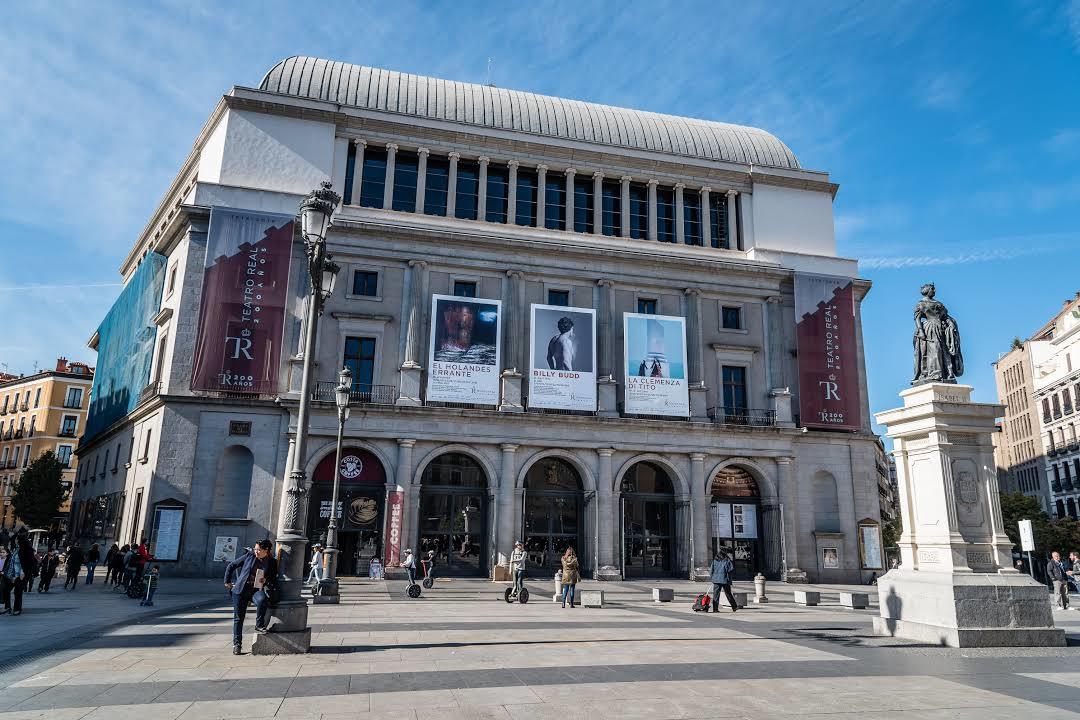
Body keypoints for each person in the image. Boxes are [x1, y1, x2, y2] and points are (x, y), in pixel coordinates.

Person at [224, 539, 278, 655]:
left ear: (266, 550)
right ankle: (237, 645)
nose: (256, 551)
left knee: (262, 599)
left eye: (259, 549)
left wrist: (266, 580)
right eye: (255, 548)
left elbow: (273, 578)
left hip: (255, 590)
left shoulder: (272, 562)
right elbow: (232, 565)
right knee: (239, 618)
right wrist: (227, 581)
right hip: (240, 590)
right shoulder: (249, 555)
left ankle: (259, 625)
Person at [2, 532, 37, 616]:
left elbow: (28, 564)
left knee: (18, 592)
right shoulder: (16, 549)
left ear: (21, 540)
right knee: (5, 590)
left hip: (21, 575)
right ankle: (7, 607)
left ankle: (17, 609)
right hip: (11, 574)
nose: (16, 540)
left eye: (17, 539)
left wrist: (23, 573)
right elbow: (11, 561)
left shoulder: (27, 551)